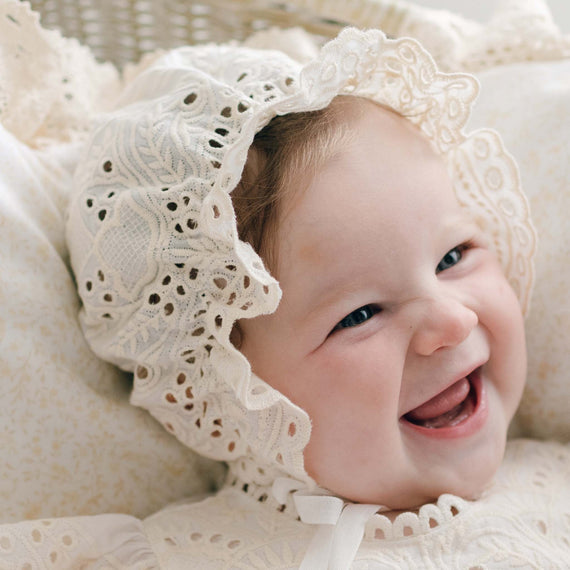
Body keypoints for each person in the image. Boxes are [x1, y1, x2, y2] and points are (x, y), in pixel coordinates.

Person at [3, 27, 569, 569]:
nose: (452, 319)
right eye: (360, 315)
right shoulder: (182, 553)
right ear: (225, 390)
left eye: (453, 257)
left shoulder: (557, 474)